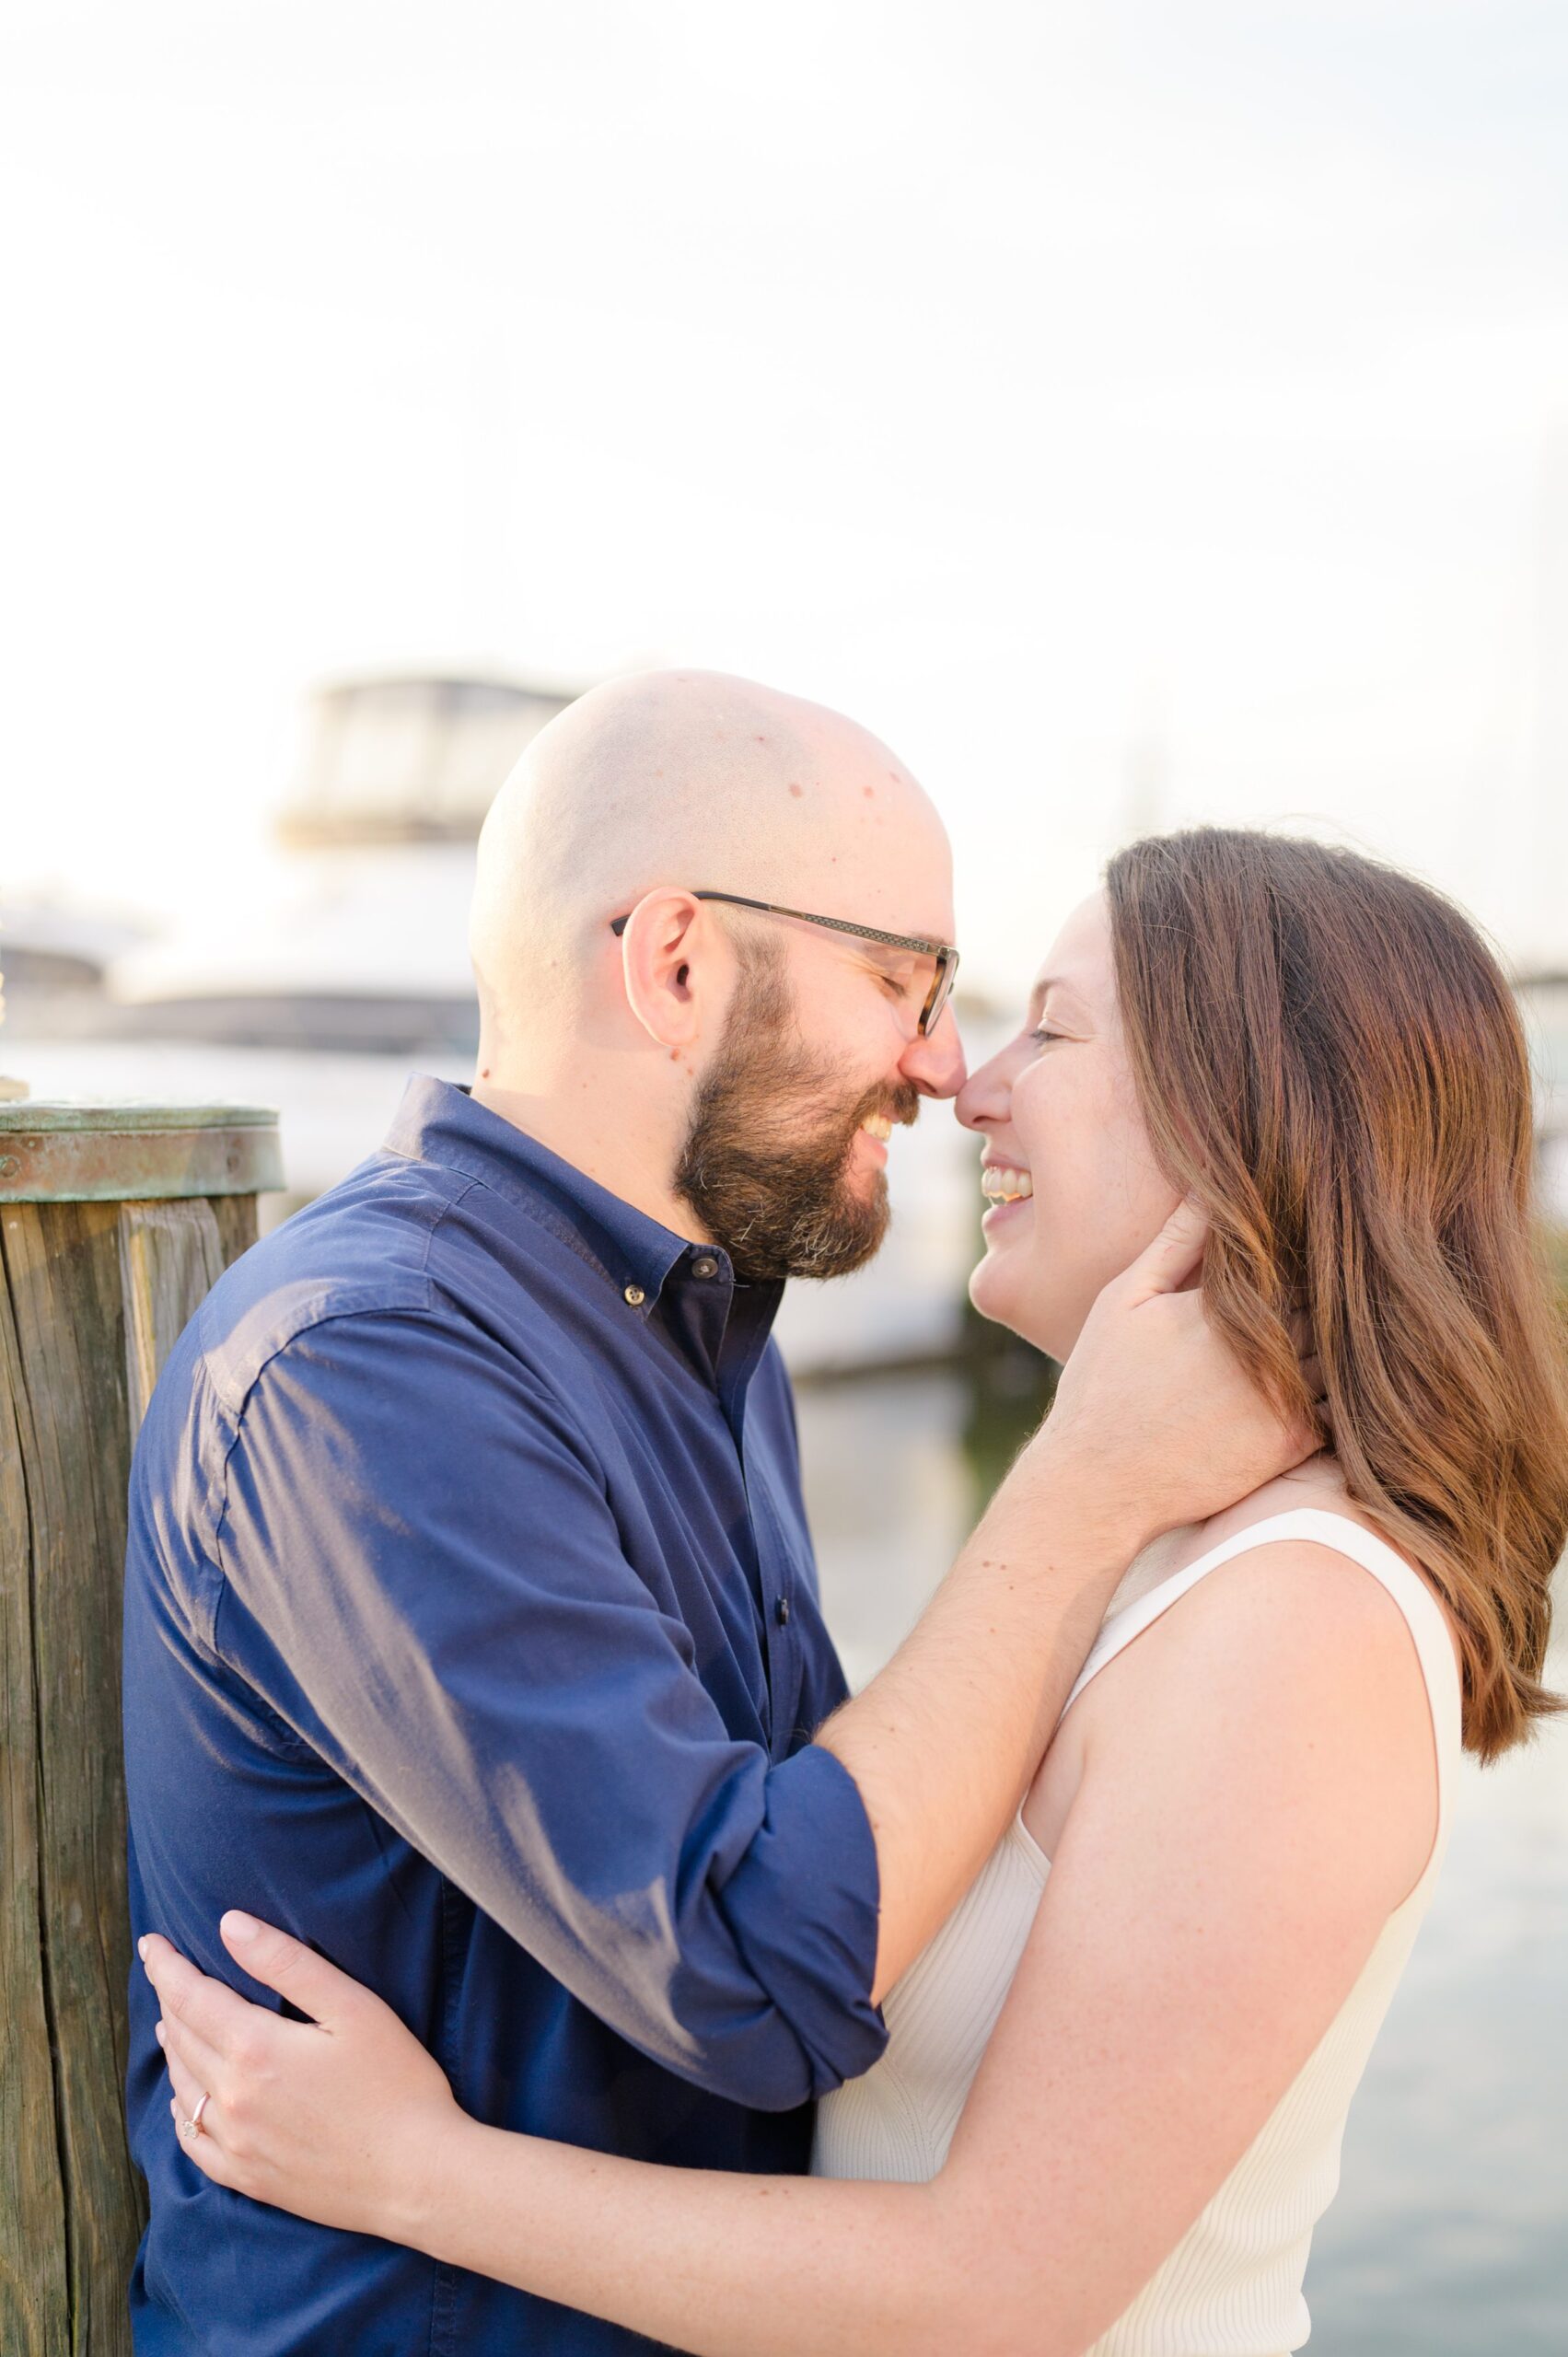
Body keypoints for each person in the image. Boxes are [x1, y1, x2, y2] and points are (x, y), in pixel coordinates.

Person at [144, 826, 1568, 2357]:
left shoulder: (1298, 1622)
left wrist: (414, 2174)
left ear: (1249, 1117)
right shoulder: (1170, 1540)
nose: (971, 1077)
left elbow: (1001, 2292)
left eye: (1055, 1026)